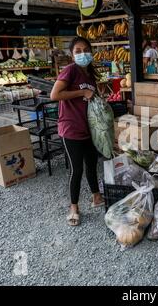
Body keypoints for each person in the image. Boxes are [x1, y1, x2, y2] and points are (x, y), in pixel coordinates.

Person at [50, 36, 105, 227]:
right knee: (77, 169)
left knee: (92, 165)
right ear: (72, 55)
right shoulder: (70, 70)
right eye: (78, 51)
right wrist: (82, 92)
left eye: (85, 50)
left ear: (91, 52)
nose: (82, 54)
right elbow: (55, 94)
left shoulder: (89, 74)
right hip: (71, 129)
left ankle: (96, 197)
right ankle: (74, 207)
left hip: (88, 128)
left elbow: (91, 97)